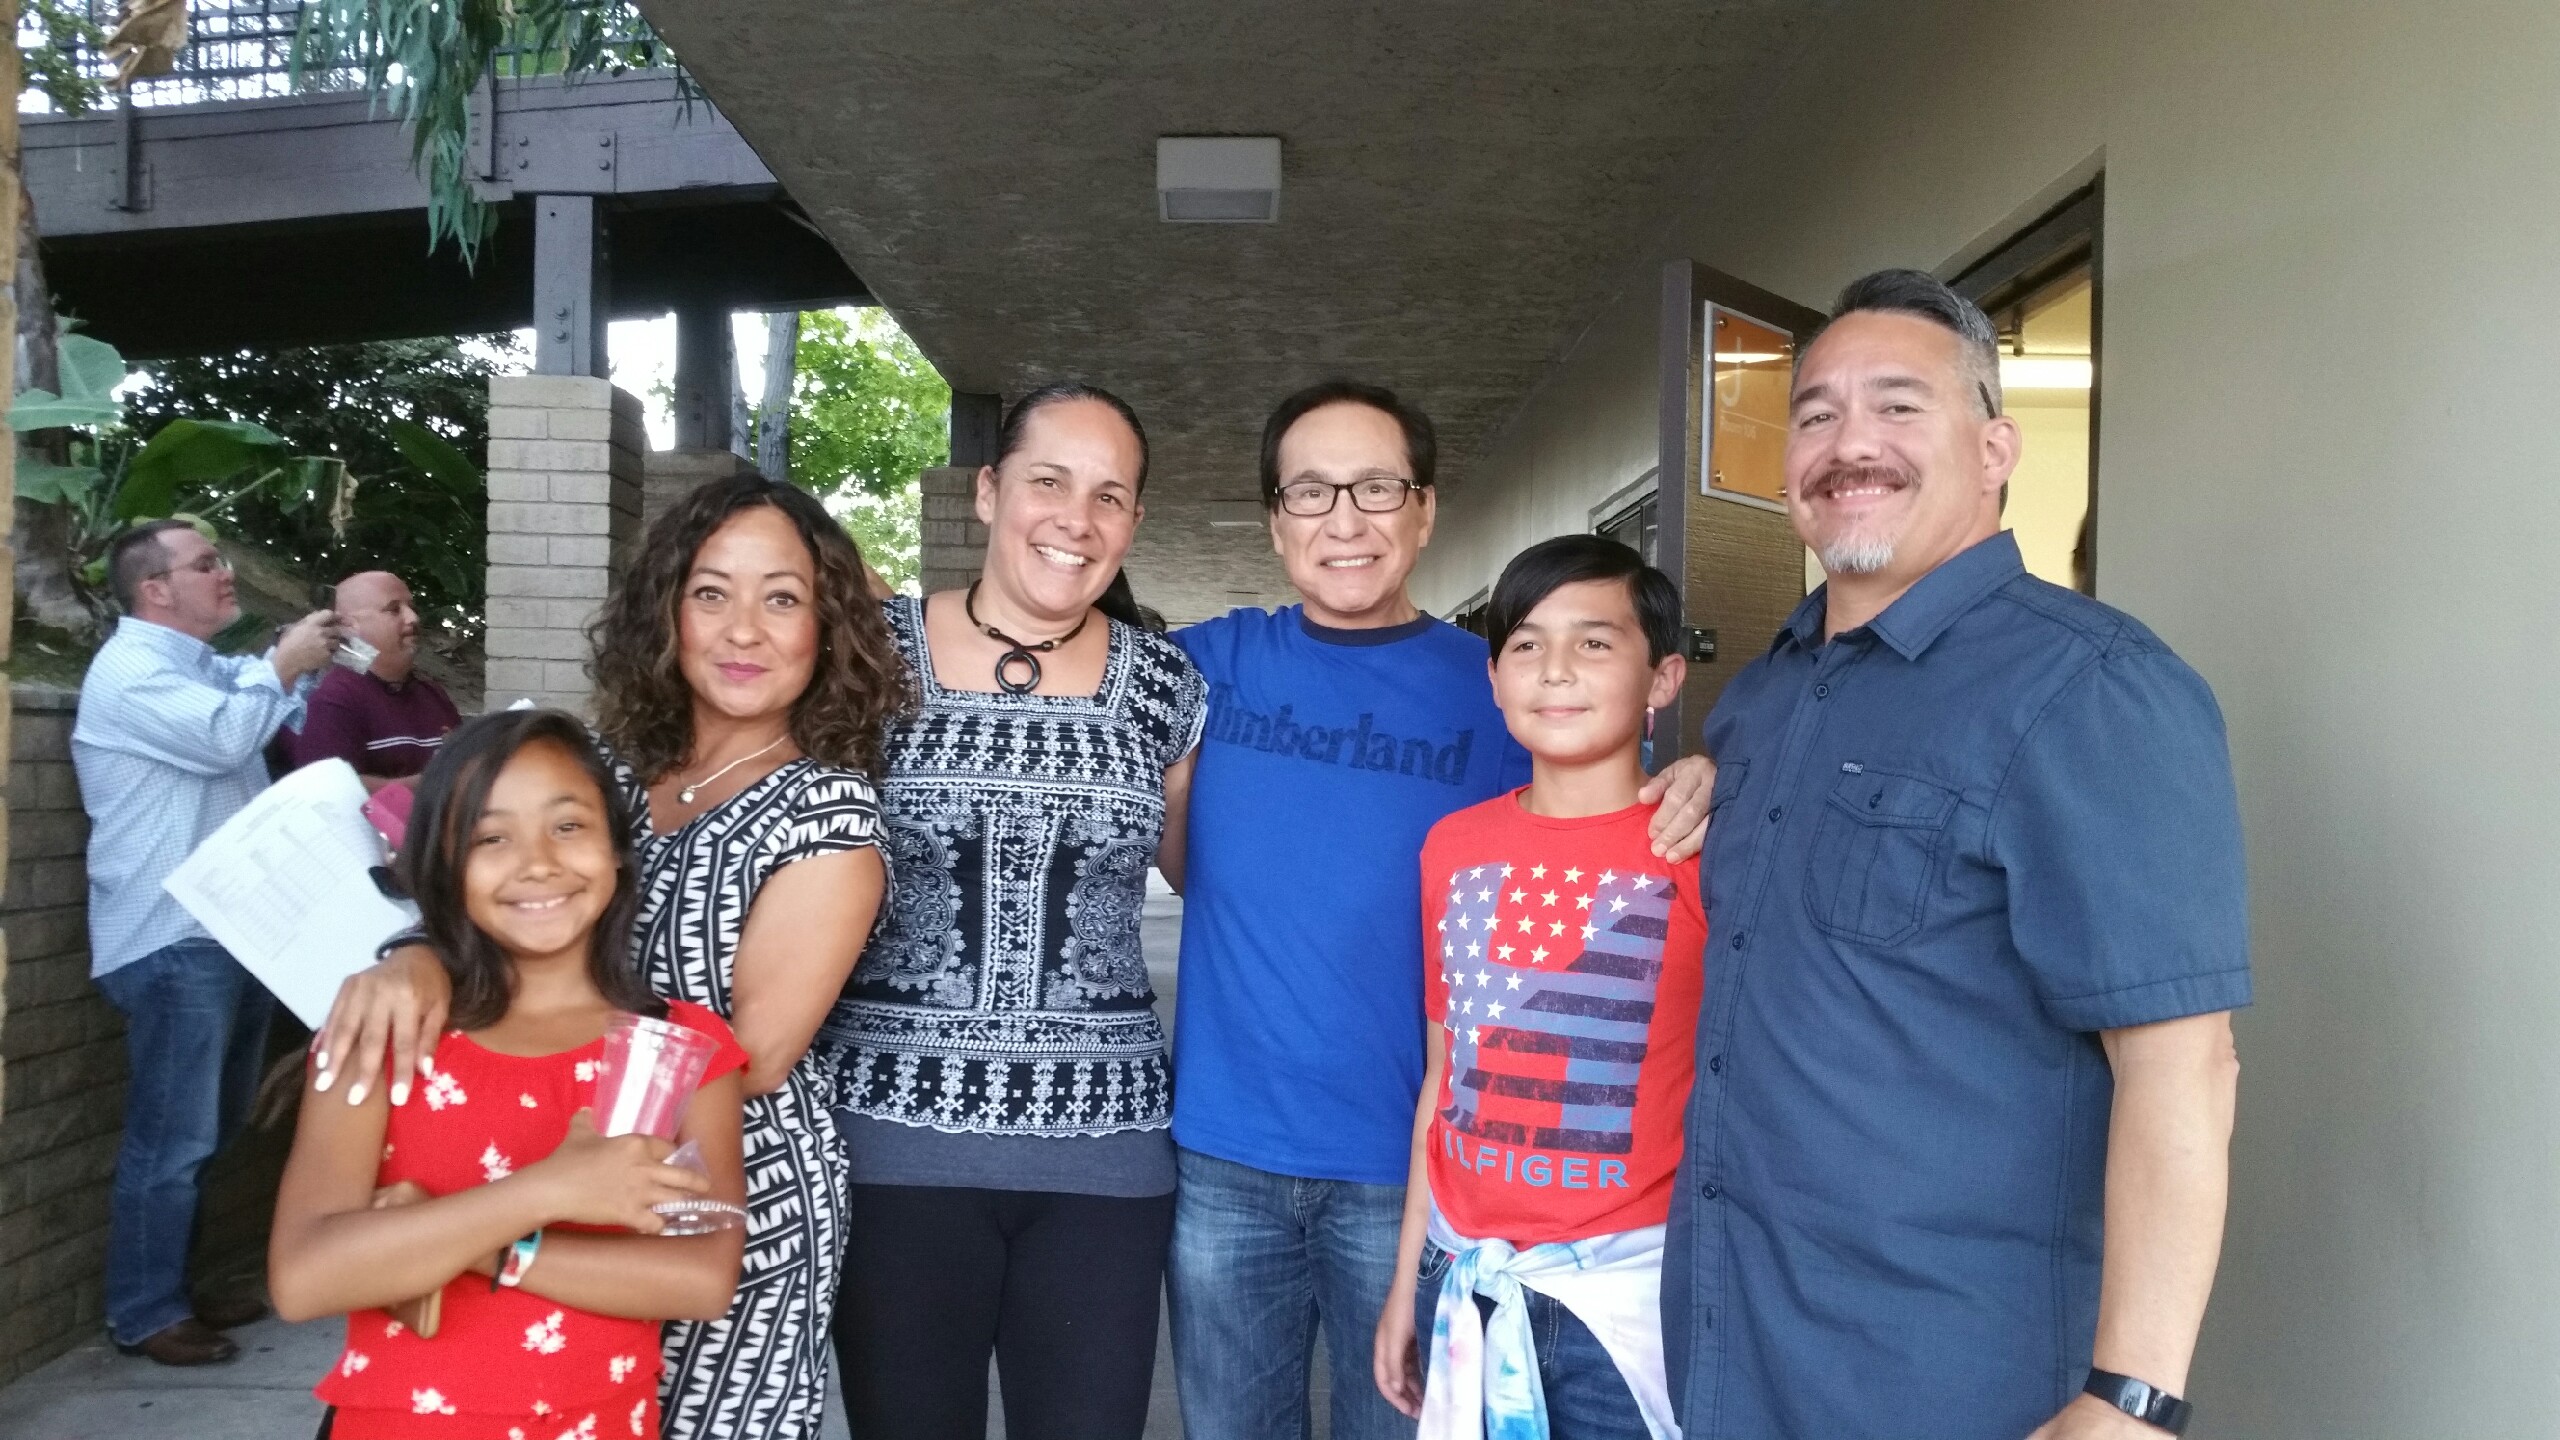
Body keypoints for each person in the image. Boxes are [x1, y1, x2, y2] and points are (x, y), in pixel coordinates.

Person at [1666, 270, 2249, 1440]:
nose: (1850, 443)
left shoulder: (2092, 690)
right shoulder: (1761, 702)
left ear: (1993, 449)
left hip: (1946, 1375)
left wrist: (2131, 1399)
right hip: (1727, 1342)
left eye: (1898, 405)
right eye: (1816, 414)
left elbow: (2183, 1066)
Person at [1166, 381, 1714, 1440]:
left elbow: (1599, 794)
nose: (1344, 519)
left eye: (1377, 487)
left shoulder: (1498, 683)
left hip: (1416, 1178)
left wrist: (1713, 771)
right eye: (1310, 491)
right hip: (1228, 1156)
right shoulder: (1207, 667)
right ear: (1275, 522)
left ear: (1423, 510)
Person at [314, 475, 905, 1439]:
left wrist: (513, 1203)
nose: (743, 630)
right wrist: (420, 958)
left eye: (782, 598)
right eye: (710, 593)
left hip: (707, 1197)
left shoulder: (828, 816)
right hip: (539, 1154)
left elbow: (751, 1059)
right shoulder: (610, 769)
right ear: (666, 611)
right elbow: (487, 903)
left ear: (827, 627)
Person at [812, 382, 1207, 1439]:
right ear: (989, 492)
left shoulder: (1165, 685)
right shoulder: (863, 657)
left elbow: (1219, 879)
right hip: (890, 1148)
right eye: (1048, 481)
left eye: (1109, 496)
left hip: (1105, 1158)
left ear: (1133, 521)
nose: (1076, 519)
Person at [270, 709, 750, 1440]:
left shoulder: (674, 1047)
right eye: (490, 838)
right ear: (444, 864)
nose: (538, 863)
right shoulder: (388, 1029)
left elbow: (701, 1279)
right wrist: (549, 1190)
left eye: (569, 826)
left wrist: (481, 1245)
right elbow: (305, 1278)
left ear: (618, 850)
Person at [1373, 535, 1705, 1440]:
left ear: (1663, 678)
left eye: (1594, 642)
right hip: (1462, 1278)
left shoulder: (1703, 848)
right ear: (1493, 678)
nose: (1555, 669)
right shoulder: (1453, 847)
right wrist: (1405, 1283)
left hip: (1626, 1300)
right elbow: (1444, 1080)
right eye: (1526, 643)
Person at [73, 518, 343, 1366]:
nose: (225, 572)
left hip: (224, 936)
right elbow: (228, 733)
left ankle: (174, 1290)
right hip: (170, 940)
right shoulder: (131, 672)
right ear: (154, 590)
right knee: (174, 1139)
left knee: (210, 1132)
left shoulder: (193, 665)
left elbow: (253, 702)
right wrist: (284, 664)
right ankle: (145, 1312)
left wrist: (297, 664)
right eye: (204, 564)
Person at [273, 570, 461, 791]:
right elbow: (328, 789)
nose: (413, 618)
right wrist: (432, 783)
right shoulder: (332, 698)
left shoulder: (432, 694)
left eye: (412, 607)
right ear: (349, 626)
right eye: (394, 609)